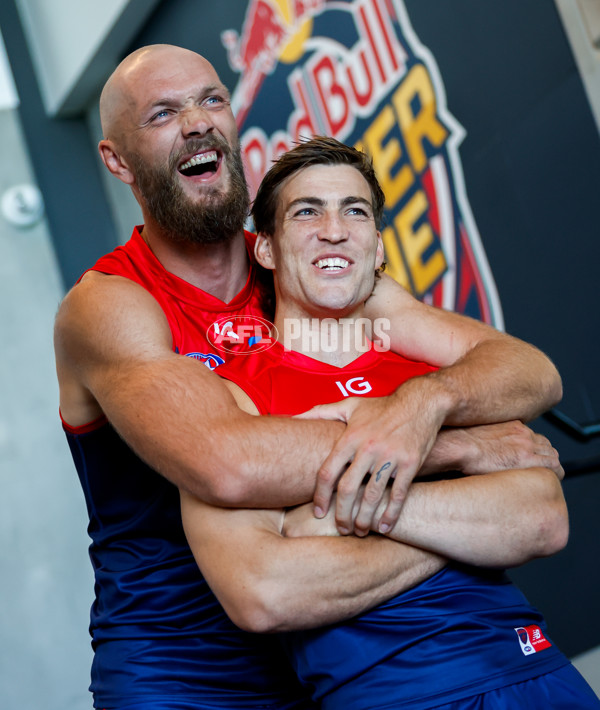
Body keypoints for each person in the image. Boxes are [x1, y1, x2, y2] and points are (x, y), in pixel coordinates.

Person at [54, 44, 564, 708]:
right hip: (181, 663)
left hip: (330, 632)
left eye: (212, 99)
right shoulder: (111, 304)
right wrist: (457, 448)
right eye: (162, 113)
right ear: (118, 160)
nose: (198, 122)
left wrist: (428, 399)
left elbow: (527, 370)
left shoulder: (301, 261)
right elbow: (228, 464)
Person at [180, 136, 599, 709]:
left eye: (355, 210)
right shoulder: (231, 393)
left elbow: (543, 517)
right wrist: (473, 507)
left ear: (377, 247)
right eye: (307, 211)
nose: (334, 228)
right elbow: (263, 593)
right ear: (267, 250)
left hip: (534, 670)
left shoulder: (428, 368)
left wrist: (330, 511)